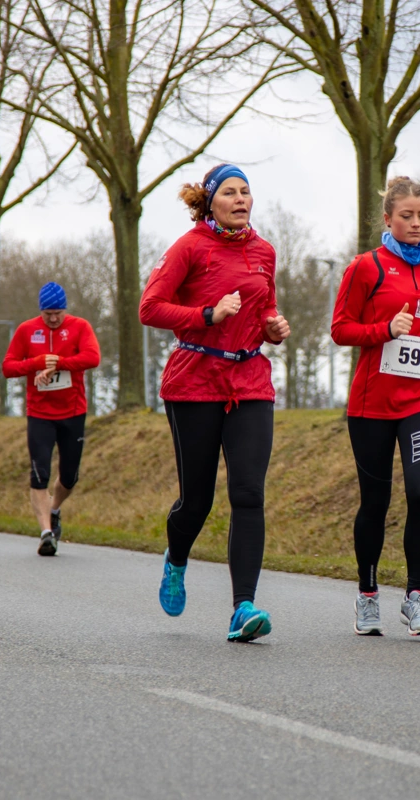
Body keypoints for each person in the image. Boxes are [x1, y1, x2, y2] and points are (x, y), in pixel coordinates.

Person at [139, 163, 291, 643]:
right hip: (195, 379)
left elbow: (265, 306)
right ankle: (177, 559)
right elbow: (150, 308)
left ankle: (242, 607)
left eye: (245, 191)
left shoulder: (264, 251)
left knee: (248, 494)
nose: (241, 199)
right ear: (210, 202)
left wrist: (273, 327)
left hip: (249, 379)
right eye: (229, 192)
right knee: (197, 501)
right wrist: (207, 314)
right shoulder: (189, 247)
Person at [331, 175, 420, 637]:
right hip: (372, 405)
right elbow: (340, 329)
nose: (416, 223)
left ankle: (415, 596)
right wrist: (384, 330)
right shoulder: (365, 267)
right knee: (376, 501)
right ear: (388, 218)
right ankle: (368, 596)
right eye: (407, 216)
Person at [1, 282, 101, 556]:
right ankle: (46, 533)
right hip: (40, 415)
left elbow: (93, 357)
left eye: (58, 313)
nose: (54, 319)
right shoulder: (26, 330)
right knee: (39, 474)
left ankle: (54, 510)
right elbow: (8, 367)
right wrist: (37, 363)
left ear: (65, 310)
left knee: (69, 477)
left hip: (73, 412)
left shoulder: (80, 327)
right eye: (48, 314)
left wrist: (57, 363)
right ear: (40, 311)